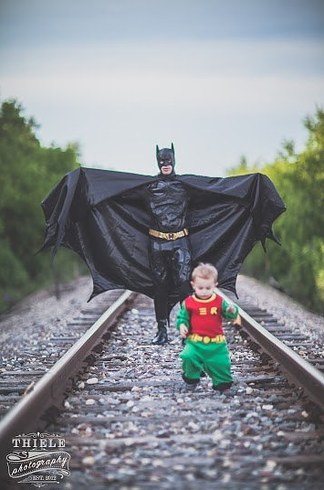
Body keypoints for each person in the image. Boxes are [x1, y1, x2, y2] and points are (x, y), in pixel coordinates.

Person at [145, 144, 192, 345]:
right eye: (162, 161)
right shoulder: (149, 186)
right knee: (160, 288)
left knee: (184, 287)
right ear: (158, 162)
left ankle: (186, 331)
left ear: (174, 160)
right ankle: (161, 330)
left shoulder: (185, 185)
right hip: (157, 243)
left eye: (169, 160)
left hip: (180, 241)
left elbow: (212, 192)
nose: (166, 164)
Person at [176, 263, 239, 391]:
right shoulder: (189, 302)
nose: (204, 291)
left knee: (221, 364)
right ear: (193, 285)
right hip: (195, 342)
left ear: (215, 285)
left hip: (216, 344)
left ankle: (223, 385)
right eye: (200, 288)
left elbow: (229, 313)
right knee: (188, 356)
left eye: (208, 288)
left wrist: (232, 310)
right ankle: (191, 378)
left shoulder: (219, 301)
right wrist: (182, 325)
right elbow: (182, 318)